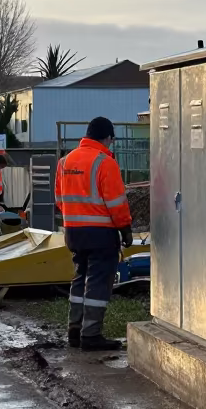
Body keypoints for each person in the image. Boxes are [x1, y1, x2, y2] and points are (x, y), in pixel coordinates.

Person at [55, 116, 133, 351]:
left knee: (80, 278)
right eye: (111, 140)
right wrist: (125, 229)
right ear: (108, 137)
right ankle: (91, 335)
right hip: (100, 234)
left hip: (73, 232)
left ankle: (75, 330)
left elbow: (59, 199)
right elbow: (116, 203)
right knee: (98, 283)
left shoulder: (65, 162)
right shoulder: (105, 163)